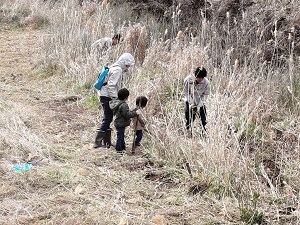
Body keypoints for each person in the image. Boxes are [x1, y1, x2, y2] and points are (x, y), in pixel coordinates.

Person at [93, 53, 135, 148]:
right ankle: (97, 142)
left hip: (104, 94)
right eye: (127, 65)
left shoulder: (114, 67)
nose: (127, 68)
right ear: (124, 62)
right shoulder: (118, 70)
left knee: (109, 117)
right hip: (107, 96)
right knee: (108, 118)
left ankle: (106, 142)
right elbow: (111, 86)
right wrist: (116, 99)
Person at [109, 88, 138, 152]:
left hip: (117, 122)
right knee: (120, 136)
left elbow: (125, 112)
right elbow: (127, 114)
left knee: (120, 135)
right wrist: (135, 113)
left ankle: (122, 147)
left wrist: (134, 110)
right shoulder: (124, 105)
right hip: (121, 123)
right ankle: (119, 149)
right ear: (126, 97)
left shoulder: (116, 103)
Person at [183, 66, 210, 135]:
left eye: (202, 78)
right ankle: (188, 131)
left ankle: (203, 133)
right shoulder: (187, 80)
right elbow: (186, 92)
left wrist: (199, 105)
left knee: (203, 119)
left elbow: (206, 95)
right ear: (195, 75)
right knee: (189, 117)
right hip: (190, 101)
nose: (200, 79)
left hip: (200, 101)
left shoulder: (206, 82)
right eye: (199, 78)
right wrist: (191, 103)